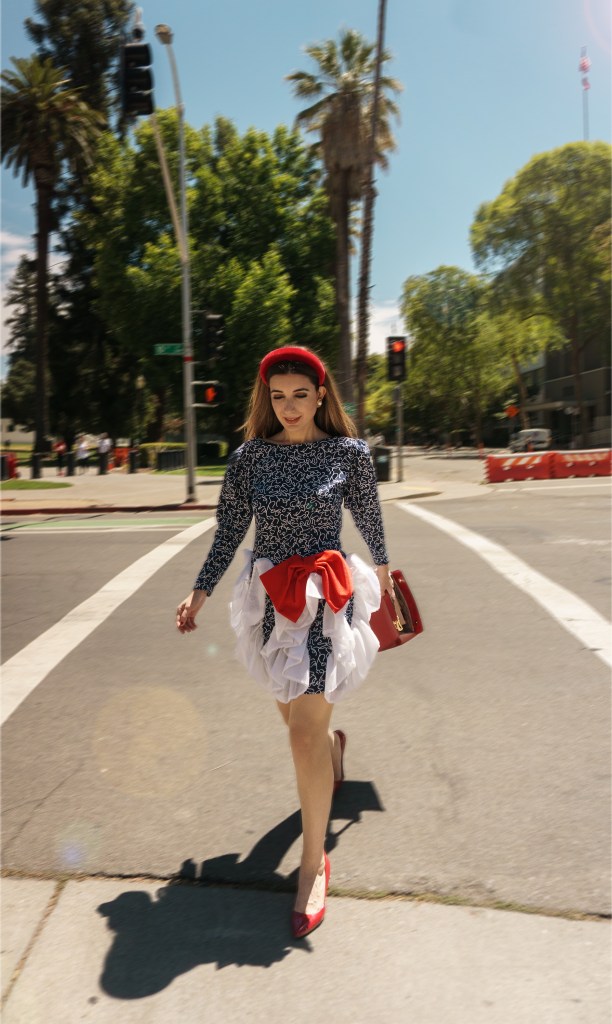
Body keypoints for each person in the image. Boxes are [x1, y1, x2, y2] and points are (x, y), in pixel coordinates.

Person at [176, 346, 393, 939]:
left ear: (321, 394)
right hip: (268, 600)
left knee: (301, 736)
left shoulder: (349, 453)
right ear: (266, 399)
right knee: (296, 722)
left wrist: (389, 575)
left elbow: (370, 520)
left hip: (326, 596)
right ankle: (334, 752)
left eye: (301, 394)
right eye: (279, 396)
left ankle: (312, 863)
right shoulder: (249, 458)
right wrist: (199, 591)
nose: (290, 406)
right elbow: (228, 531)